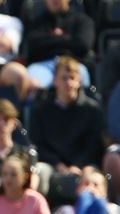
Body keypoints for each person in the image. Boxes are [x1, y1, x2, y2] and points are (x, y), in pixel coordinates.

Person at [30, 56, 104, 195]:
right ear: (54, 81)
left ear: (79, 81)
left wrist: (78, 165)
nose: (68, 83)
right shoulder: (41, 109)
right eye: (64, 78)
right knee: (38, 173)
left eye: (72, 78)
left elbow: (94, 146)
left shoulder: (93, 110)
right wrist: (59, 165)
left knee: (93, 179)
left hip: (84, 164)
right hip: (51, 164)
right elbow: (38, 144)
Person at [24, 0, 94, 88]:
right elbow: (33, 45)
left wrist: (50, 40)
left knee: (80, 81)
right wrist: (67, 38)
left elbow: (83, 44)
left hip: (74, 63)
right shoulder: (36, 22)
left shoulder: (83, 21)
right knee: (32, 83)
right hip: (43, 64)